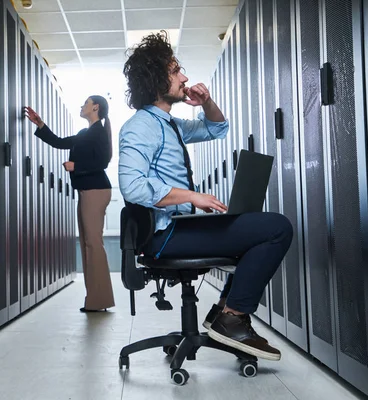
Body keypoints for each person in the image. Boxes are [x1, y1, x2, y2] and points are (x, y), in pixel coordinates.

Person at [118, 31, 293, 361]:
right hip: (165, 236)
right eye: (175, 70)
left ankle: (224, 313)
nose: (184, 77)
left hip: (178, 228)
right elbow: (132, 186)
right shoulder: (141, 126)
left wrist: (207, 102)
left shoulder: (169, 124)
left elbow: (216, 129)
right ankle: (233, 316)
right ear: (156, 79)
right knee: (276, 228)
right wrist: (192, 197)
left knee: (258, 228)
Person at [24, 96, 115, 312]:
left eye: (85, 103)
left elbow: (103, 161)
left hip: (96, 190)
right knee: (87, 244)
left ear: (96, 107)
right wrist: (40, 124)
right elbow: (59, 142)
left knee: (93, 245)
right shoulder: (85, 133)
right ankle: (94, 299)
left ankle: (100, 300)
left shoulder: (99, 131)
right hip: (87, 190)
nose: (81, 106)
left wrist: (76, 165)